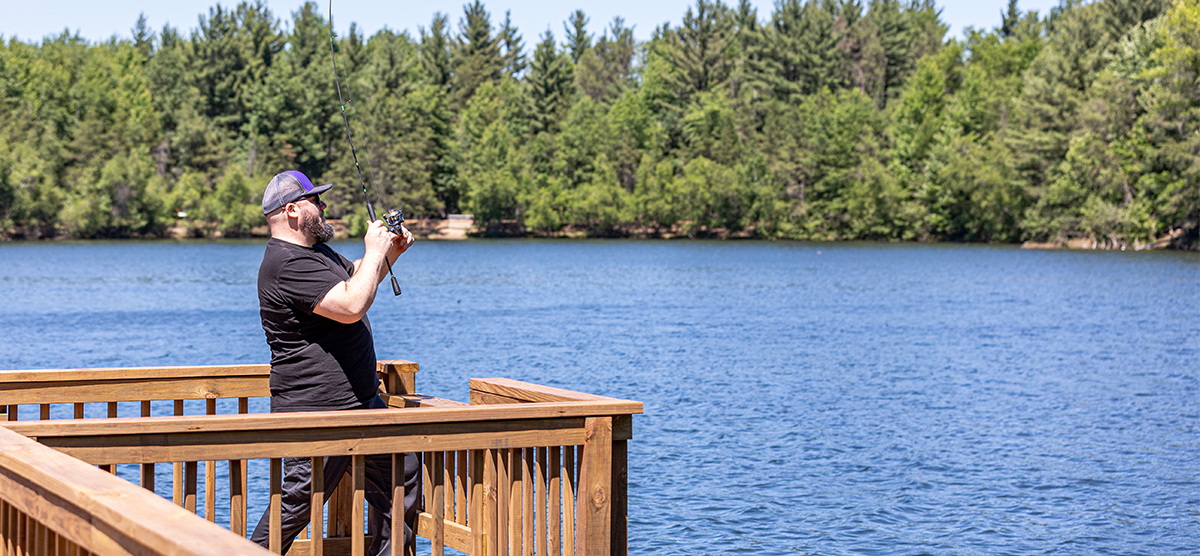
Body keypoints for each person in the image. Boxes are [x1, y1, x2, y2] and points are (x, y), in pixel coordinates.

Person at [251, 170, 419, 556]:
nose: (323, 206)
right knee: (297, 505)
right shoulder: (284, 263)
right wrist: (376, 251)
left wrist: (389, 252)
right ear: (292, 210)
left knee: (402, 475)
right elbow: (350, 305)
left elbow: (358, 278)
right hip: (315, 412)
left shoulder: (315, 252)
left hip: (360, 404)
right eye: (316, 200)